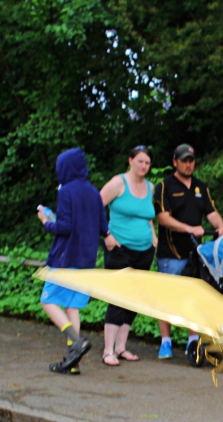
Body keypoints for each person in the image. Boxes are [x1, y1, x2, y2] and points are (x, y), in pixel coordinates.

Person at [37, 147, 109, 374]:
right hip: (86, 259)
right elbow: (102, 227)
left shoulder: (66, 191)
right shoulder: (94, 192)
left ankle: (75, 341)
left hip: (65, 258)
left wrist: (46, 222)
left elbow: (65, 227)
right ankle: (73, 362)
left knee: (47, 301)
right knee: (73, 307)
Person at [152, 143, 223, 360]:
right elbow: (163, 218)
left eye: (191, 160)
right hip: (171, 253)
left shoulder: (200, 187)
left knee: (193, 296)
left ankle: (193, 340)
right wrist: (189, 229)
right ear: (175, 162)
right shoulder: (165, 186)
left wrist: (222, 228)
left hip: (196, 253)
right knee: (166, 298)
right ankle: (166, 341)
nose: (188, 164)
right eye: (183, 160)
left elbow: (211, 212)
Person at [97, 145, 157, 366]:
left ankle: (121, 347)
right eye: (140, 161)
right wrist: (106, 235)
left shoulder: (150, 187)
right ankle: (108, 351)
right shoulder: (118, 183)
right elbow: (95, 207)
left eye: (147, 163)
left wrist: (153, 235)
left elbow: (147, 215)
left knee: (134, 299)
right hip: (119, 249)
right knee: (118, 297)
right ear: (130, 160)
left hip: (144, 251)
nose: (143, 166)